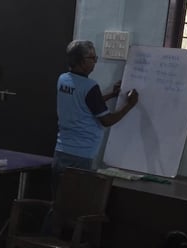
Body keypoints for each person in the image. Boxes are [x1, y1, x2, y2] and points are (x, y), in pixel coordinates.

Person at [52, 39, 139, 188]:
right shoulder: (90, 87)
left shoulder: (63, 79)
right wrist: (129, 105)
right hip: (80, 155)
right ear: (80, 61)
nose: (95, 62)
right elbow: (107, 120)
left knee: (59, 200)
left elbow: (83, 102)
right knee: (75, 203)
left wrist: (111, 95)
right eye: (92, 58)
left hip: (61, 151)